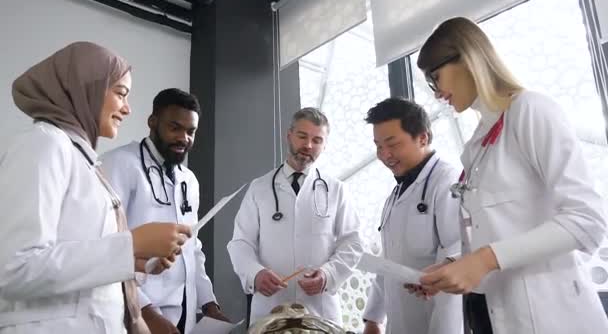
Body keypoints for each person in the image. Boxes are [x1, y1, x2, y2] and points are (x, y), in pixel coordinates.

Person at [415, 17, 608, 333]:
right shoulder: (477, 144)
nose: (437, 94)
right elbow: (494, 230)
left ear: (467, 58)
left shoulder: (531, 110)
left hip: (553, 317)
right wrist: (454, 269)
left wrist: (484, 260)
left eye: (436, 78)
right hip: (494, 315)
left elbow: (587, 221)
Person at [0, 42, 191, 334]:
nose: (127, 109)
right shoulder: (43, 144)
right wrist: (131, 244)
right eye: (121, 94)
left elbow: (77, 259)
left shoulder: (83, 159)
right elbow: (14, 269)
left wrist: (137, 261)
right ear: (84, 87)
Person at [101, 88, 229, 333]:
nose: (184, 138)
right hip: (135, 313)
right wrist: (145, 312)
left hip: (183, 313)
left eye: (191, 131)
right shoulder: (119, 164)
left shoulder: (188, 179)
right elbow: (107, 248)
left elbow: (192, 246)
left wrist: (209, 303)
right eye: (175, 127)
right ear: (153, 122)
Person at [227, 107, 364, 326]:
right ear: (289, 135)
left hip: (320, 311)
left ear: (324, 145)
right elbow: (240, 243)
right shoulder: (259, 188)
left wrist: (328, 275)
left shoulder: (337, 190)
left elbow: (352, 243)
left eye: (317, 140)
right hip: (270, 309)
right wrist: (256, 274)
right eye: (302, 136)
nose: (308, 145)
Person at [361, 98, 463, 334]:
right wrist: (373, 318)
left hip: (438, 323)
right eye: (378, 146)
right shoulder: (396, 193)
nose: (385, 155)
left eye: (392, 144)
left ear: (423, 138)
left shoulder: (447, 182)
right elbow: (388, 262)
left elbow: (457, 257)